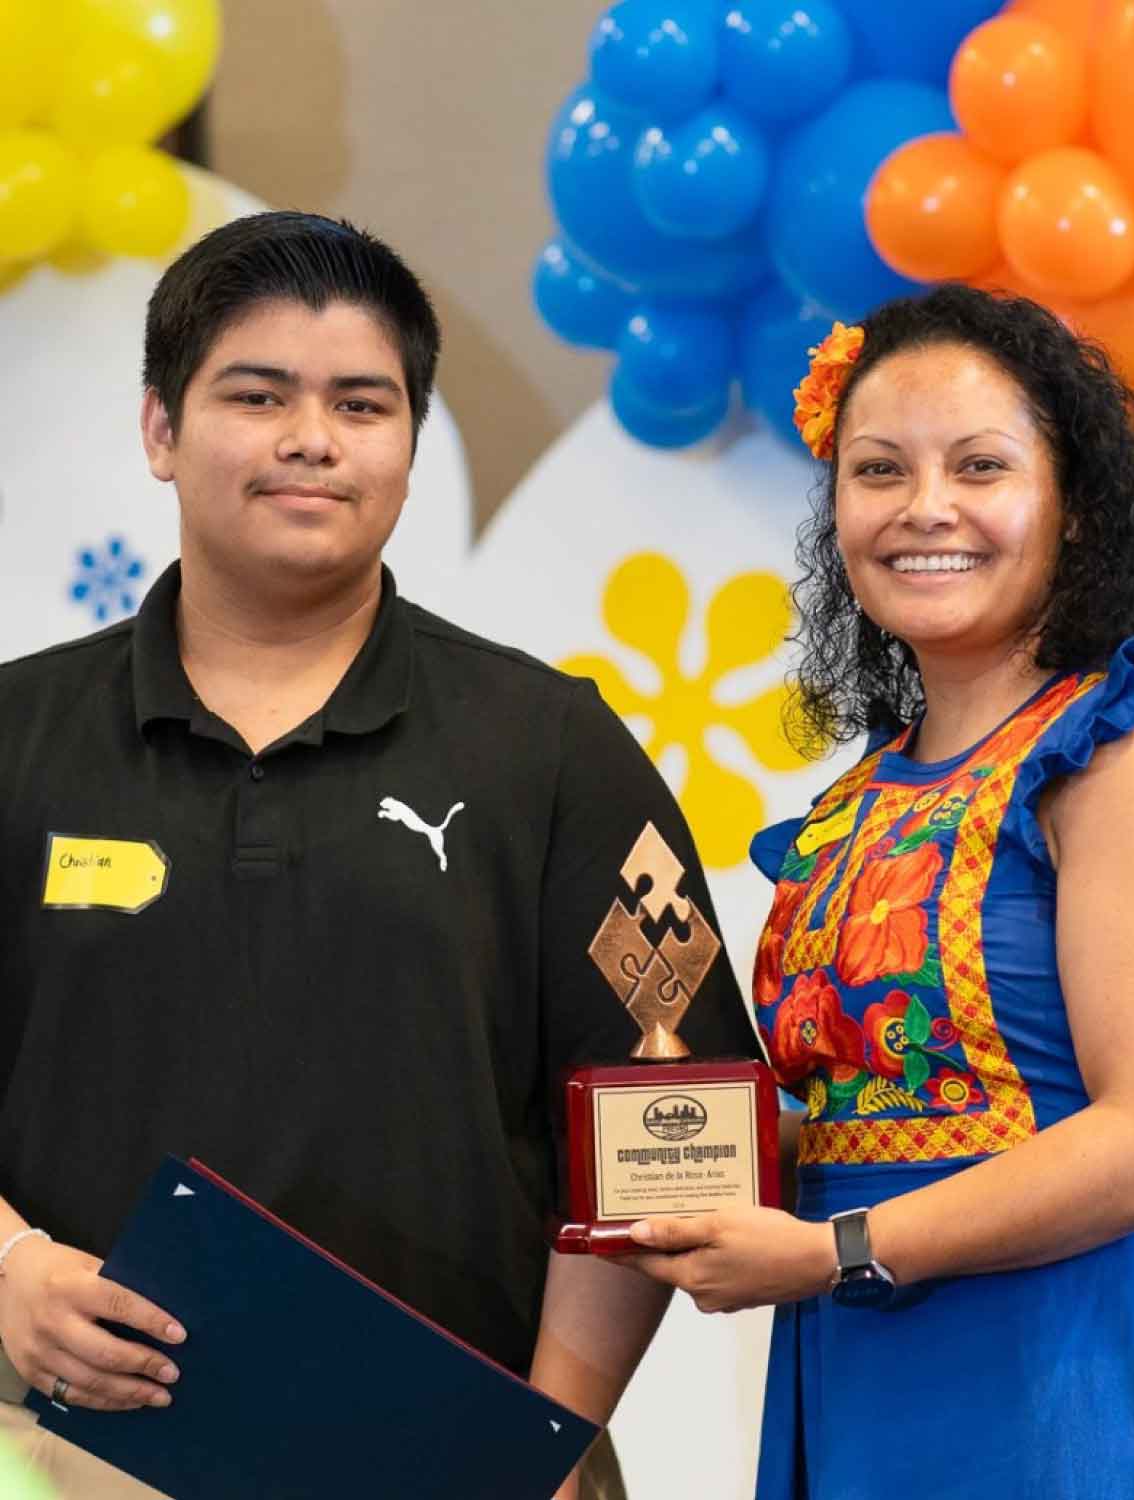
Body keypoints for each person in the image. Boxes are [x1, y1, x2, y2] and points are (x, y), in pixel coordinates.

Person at [0, 210, 759, 1499]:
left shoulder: (549, 746)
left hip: (463, 1463)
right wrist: (6, 1271)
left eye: (363, 403)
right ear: (160, 432)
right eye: (257, 394)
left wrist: (544, 1442)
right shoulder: (16, 735)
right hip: (64, 1446)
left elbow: (671, 1125)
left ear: (408, 447)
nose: (312, 437)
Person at [623, 283, 1134, 1499]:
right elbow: (868, 1112)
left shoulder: (1130, 745)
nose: (925, 509)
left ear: (1077, 509)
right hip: (856, 1362)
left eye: (981, 466)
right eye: (879, 471)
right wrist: (650, 1158)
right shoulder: (853, 801)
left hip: (1067, 1382)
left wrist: (837, 1251)